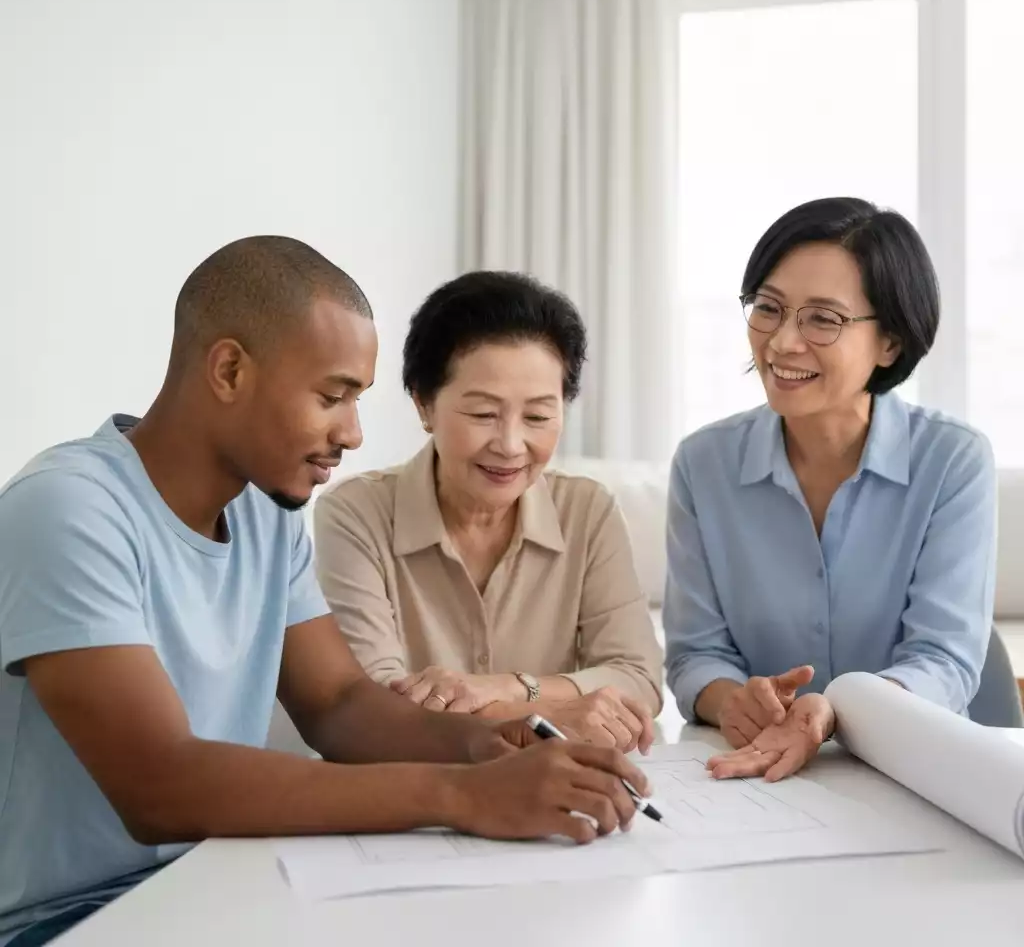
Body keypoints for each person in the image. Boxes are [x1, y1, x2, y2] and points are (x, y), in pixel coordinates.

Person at [0, 238, 650, 947]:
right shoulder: (68, 509)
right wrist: (464, 794)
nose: (353, 432)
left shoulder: (261, 514)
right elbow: (161, 785)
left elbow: (339, 704)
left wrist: (486, 745)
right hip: (74, 920)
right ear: (228, 370)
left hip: (226, 884)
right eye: (332, 395)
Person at [662, 198, 996, 783]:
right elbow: (695, 652)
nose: (784, 342)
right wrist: (731, 700)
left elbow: (944, 661)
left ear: (889, 343)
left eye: (823, 319)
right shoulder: (702, 463)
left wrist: (836, 714)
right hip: (757, 778)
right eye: (769, 308)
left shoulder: (952, 461)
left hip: (915, 775)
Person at [314, 271, 664, 754]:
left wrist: (511, 688)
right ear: (424, 404)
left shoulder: (588, 510)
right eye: (483, 414)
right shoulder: (355, 514)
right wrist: (550, 713)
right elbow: (374, 698)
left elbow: (639, 676)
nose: (511, 445)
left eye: (539, 416)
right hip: (415, 790)